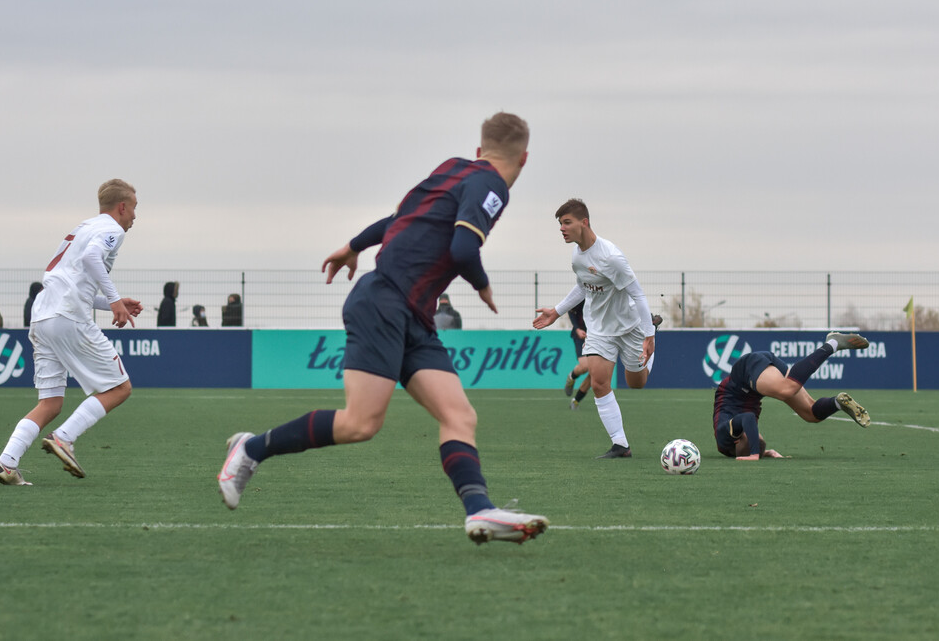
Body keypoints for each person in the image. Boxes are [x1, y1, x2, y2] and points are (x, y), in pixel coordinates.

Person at [217, 112, 548, 545]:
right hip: (386, 302)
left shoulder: (452, 168)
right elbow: (464, 247)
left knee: (459, 415)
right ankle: (251, 449)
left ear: (478, 150)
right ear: (524, 158)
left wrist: (354, 246)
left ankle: (479, 510)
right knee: (360, 423)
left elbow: (400, 218)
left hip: (413, 314)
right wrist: (483, 285)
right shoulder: (493, 187)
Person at [0, 178, 142, 486]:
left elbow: (68, 278)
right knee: (120, 388)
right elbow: (90, 260)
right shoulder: (111, 229)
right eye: (134, 209)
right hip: (67, 317)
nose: (135, 217)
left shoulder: (84, 227)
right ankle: (64, 438)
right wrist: (113, 302)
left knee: (51, 403)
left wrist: (108, 300)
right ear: (122, 207)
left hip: (43, 316)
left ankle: (6, 462)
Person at [532, 198, 660, 459]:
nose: (562, 229)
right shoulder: (577, 256)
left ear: (584, 222)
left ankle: (652, 343)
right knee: (600, 383)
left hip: (629, 328)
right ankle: (620, 445)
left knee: (636, 383)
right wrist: (556, 311)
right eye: (560, 224)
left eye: (567, 223)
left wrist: (650, 335)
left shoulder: (611, 257)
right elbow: (582, 286)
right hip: (599, 330)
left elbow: (638, 295)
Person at [713, 332, 872, 461]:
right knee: (811, 414)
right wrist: (763, 452)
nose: (756, 432)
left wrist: (755, 453)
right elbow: (746, 441)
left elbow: (747, 418)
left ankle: (832, 344)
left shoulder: (725, 435)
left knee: (787, 389)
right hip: (756, 382)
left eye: (753, 435)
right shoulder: (734, 448)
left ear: (737, 439)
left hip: (745, 372)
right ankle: (837, 403)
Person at [562, 300, 593, 410]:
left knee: (595, 373)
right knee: (585, 366)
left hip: (599, 337)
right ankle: (572, 376)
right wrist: (577, 329)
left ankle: (576, 401)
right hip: (581, 335)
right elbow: (571, 311)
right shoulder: (586, 293)